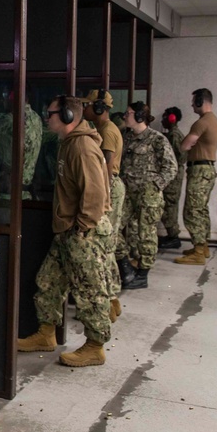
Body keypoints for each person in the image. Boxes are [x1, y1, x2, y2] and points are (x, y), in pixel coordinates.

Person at [17, 96, 112, 367]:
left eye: (51, 113)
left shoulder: (81, 146)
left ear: (69, 115)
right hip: (69, 230)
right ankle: (46, 334)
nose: (47, 117)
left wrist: (82, 228)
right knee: (48, 281)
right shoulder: (68, 143)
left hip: (83, 231)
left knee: (90, 289)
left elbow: (95, 191)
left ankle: (95, 346)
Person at [116, 103, 177, 289]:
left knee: (146, 233)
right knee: (114, 226)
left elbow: (171, 167)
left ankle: (143, 274)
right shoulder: (127, 137)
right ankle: (124, 263)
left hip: (147, 195)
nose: (125, 116)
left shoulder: (156, 139)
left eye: (129, 113)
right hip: (127, 193)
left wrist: (154, 185)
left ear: (140, 116)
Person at [83, 89, 125, 320]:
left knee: (106, 245)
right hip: (110, 187)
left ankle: (110, 299)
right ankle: (111, 299)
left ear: (99, 108)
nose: (85, 109)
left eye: (88, 105)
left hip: (109, 188)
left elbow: (107, 167)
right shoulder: (101, 129)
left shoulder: (107, 131)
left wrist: (103, 196)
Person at [174, 88, 217, 266]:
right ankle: (203, 246)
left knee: (192, 210)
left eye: (194, 101)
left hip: (200, 170)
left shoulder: (202, 122)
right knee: (201, 209)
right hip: (207, 170)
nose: (192, 104)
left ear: (201, 101)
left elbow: (184, 145)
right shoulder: (214, 120)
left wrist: (182, 144)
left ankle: (199, 251)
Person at [158, 107, 187, 250]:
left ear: (172, 119)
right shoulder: (172, 134)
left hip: (173, 175)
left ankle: (173, 236)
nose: (162, 120)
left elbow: (180, 156)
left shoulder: (174, 135)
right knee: (169, 205)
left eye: (165, 117)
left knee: (169, 205)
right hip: (174, 174)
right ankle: (172, 235)